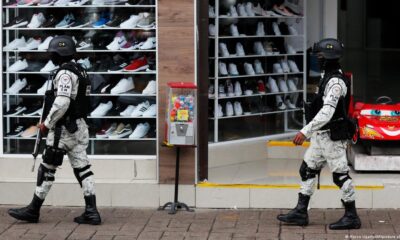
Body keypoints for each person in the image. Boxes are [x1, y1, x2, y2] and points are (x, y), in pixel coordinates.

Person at [8, 35, 101, 225]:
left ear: (59, 53)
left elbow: (62, 101)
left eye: (53, 53)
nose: (51, 56)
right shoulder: (80, 70)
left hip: (63, 130)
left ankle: (33, 210)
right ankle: (92, 211)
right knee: (82, 169)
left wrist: (46, 124)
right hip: (78, 126)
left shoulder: (65, 73)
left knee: (47, 167)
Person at [277, 38, 361, 230]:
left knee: (340, 176)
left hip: (332, 137)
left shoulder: (336, 83)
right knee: (307, 170)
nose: (317, 58)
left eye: (320, 56)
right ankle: (300, 212)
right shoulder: (327, 76)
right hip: (321, 137)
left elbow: (327, 112)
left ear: (329, 58)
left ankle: (352, 216)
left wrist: (305, 131)